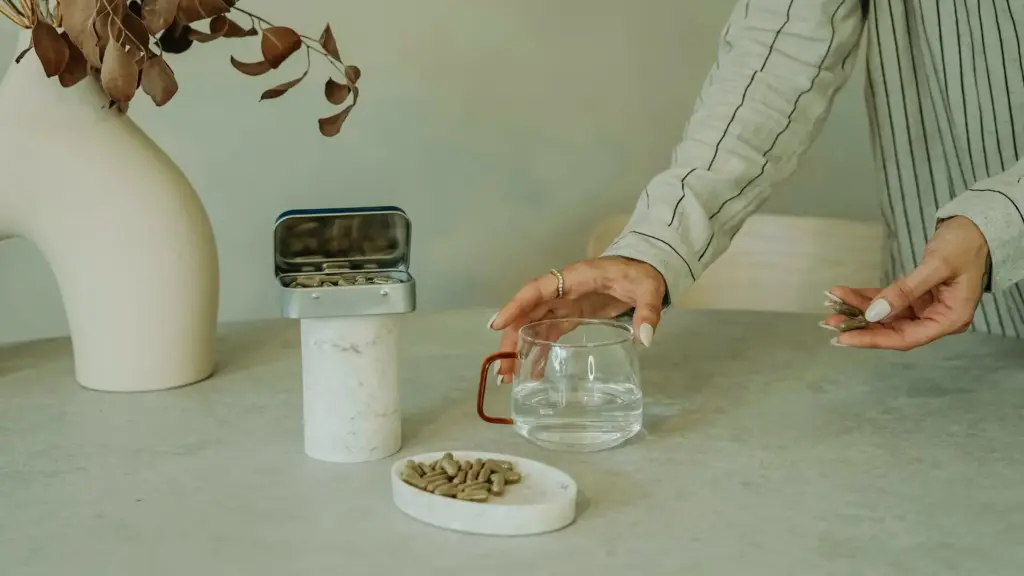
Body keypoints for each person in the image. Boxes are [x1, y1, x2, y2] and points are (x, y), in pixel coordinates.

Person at [490, 0, 1024, 368]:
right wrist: (656, 244)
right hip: (953, 316)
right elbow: (778, 50)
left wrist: (999, 222)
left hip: (962, 267)